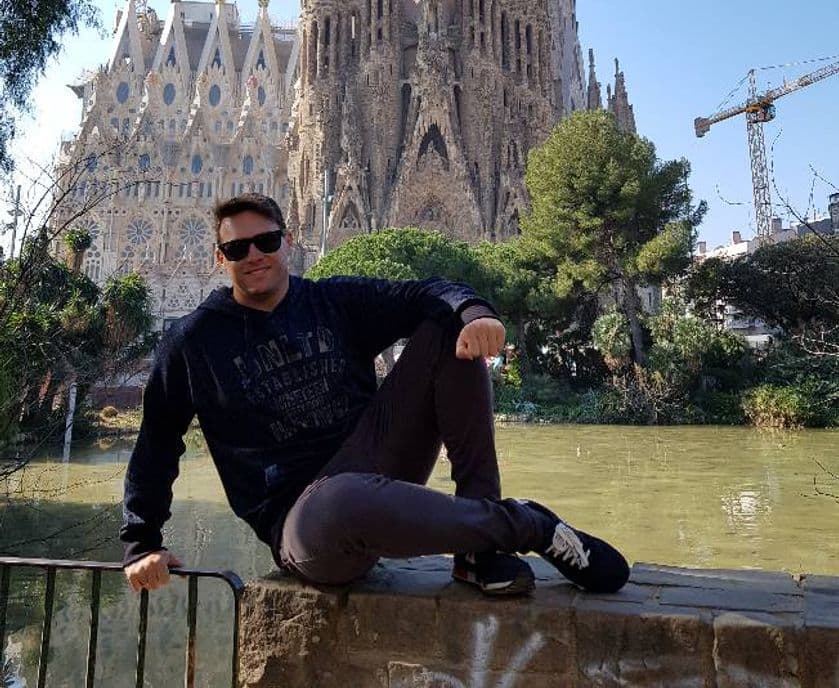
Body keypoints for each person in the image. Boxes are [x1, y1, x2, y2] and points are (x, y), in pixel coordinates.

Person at [122, 193, 629, 598]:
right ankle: (530, 526)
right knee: (341, 498)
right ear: (220, 258)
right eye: (237, 249)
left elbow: (423, 292)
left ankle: (478, 547)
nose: (253, 256)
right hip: (303, 521)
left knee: (444, 331)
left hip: (372, 462)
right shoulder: (195, 339)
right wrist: (141, 543)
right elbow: (158, 441)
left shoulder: (330, 301)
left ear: (287, 242)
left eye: (266, 241)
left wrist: (474, 311)